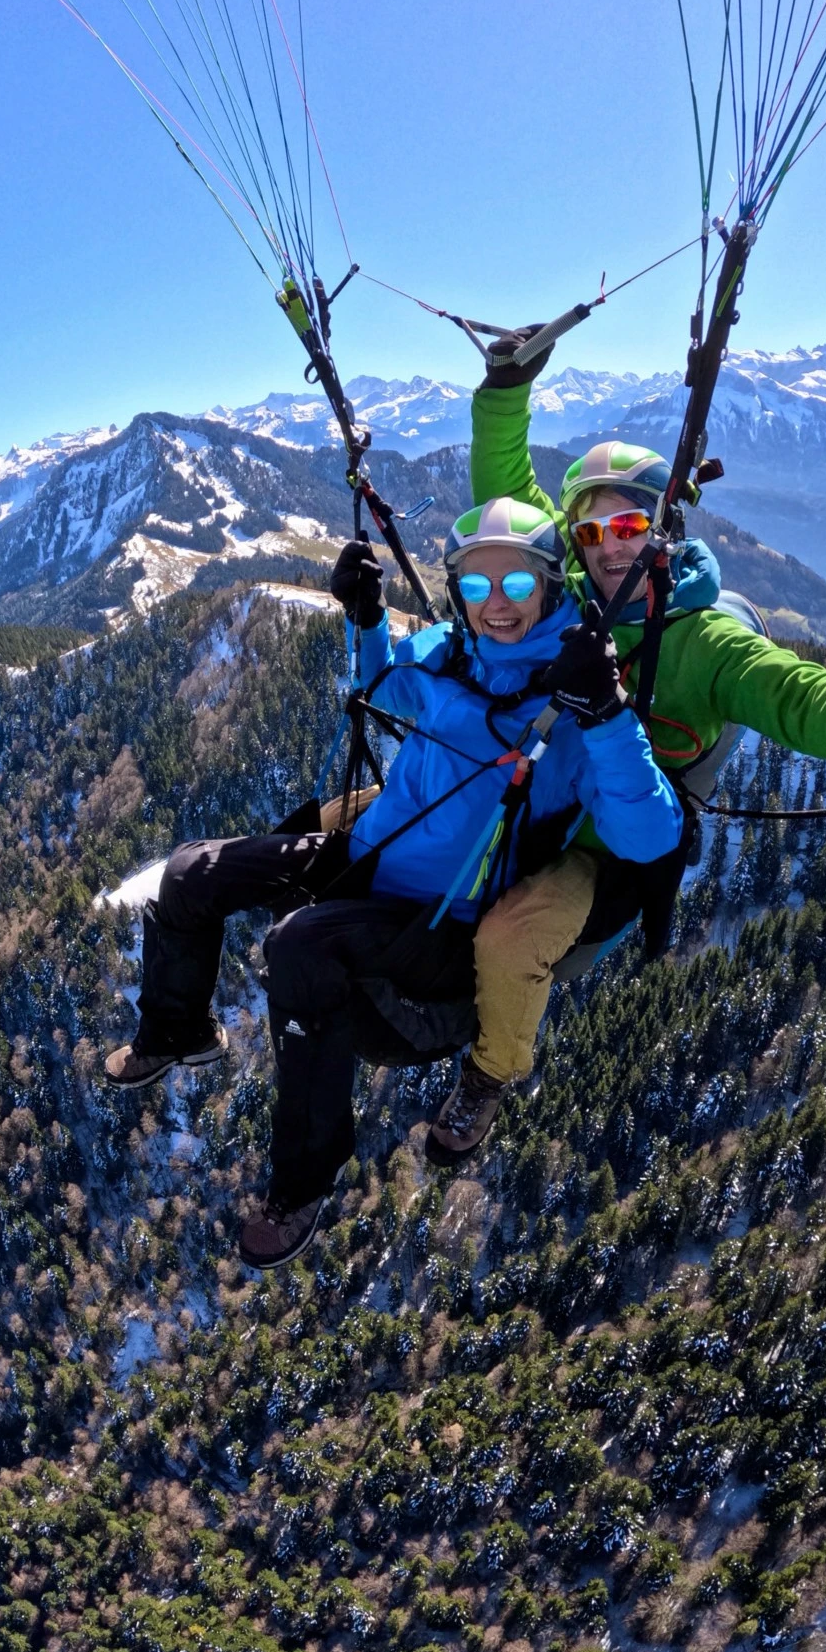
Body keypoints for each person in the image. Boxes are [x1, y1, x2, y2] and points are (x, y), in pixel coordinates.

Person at [415, 337, 826, 1163]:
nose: (609, 545)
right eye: (591, 529)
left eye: (629, 525)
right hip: (537, 793)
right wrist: (504, 390)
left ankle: (492, 1072)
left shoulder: (704, 642)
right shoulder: (575, 586)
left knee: (510, 938)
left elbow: (798, 694)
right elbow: (505, 497)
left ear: (662, 528)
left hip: (604, 844)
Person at [102, 497, 685, 1269]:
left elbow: (650, 836)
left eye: (516, 583)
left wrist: (608, 714)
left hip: (439, 929)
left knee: (299, 946)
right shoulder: (450, 652)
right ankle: (177, 1030)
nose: (497, 603)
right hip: (369, 861)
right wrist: (368, 617)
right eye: (476, 586)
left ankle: (302, 1183)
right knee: (190, 872)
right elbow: (380, 684)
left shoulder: (577, 700)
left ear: (550, 584)